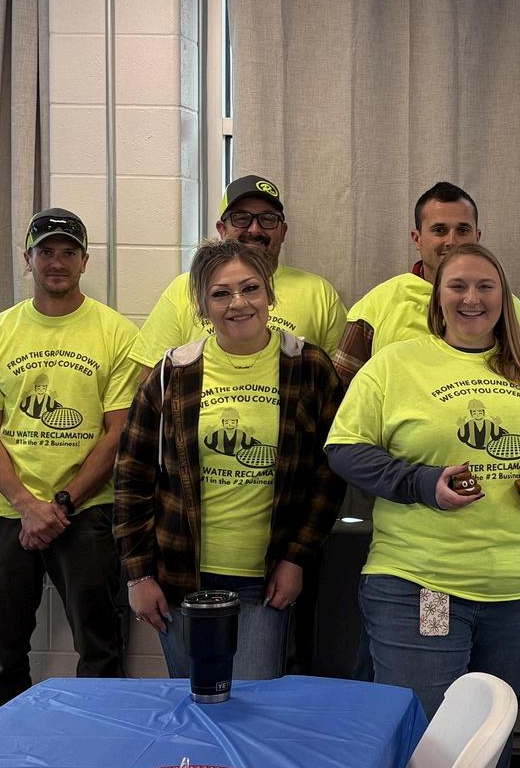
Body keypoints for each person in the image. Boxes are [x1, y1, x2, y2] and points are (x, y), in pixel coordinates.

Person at [326, 242, 520, 768]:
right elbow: (345, 449)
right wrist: (421, 483)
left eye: (485, 286)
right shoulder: (396, 364)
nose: (472, 298)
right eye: (458, 286)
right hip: (424, 585)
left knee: (488, 731)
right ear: (437, 298)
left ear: (504, 298)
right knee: (427, 733)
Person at [114, 240, 348, 682]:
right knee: (196, 700)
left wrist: (296, 558)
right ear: (202, 307)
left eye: (250, 288)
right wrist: (137, 575)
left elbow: (328, 476)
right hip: (182, 575)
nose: (238, 303)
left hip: (267, 577)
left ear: (269, 295)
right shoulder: (174, 372)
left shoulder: (310, 367)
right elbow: (132, 477)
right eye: (221, 293)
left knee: (252, 702)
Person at [0, 209, 141, 712]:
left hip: (87, 515)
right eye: (45, 251)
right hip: (4, 514)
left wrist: (59, 505)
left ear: (85, 261)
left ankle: (95, 746)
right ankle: (3, 749)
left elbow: (118, 433)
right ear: (28, 259)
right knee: (2, 659)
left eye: (68, 252)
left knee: (101, 653)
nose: (56, 262)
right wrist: (26, 504)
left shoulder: (117, 333)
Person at [335, 181, 520, 378]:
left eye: (463, 230)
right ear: (417, 239)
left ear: (477, 237)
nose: (452, 241)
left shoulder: (507, 307)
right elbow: (343, 393)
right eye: (439, 230)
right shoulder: (376, 305)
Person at [132, 174, 347, 364]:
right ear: (222, 229)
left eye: (268, 219)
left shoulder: (319, 293)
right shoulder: (185, 288)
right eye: (241, 218)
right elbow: (154, 378)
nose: (254, 229)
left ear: (283, 232)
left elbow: (340, 381)